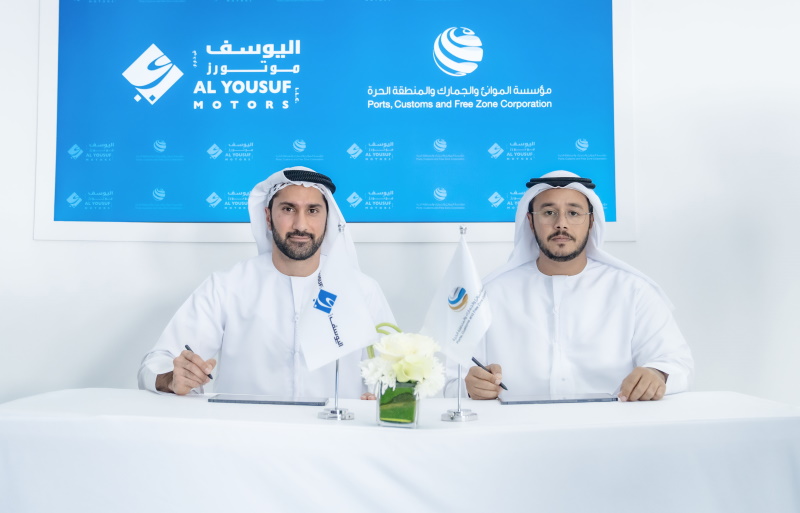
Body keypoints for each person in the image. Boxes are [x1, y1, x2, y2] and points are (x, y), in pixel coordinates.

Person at [138, 167, 395, 398]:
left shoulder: (363, 290)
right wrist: (172, 378)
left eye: (313, 211)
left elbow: (398, 370)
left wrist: (380, 398)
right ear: (268, 217)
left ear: (327, 220)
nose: (300, 225)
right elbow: (155, 363)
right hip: (243, 432)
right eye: (288, 209)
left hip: (335, 432)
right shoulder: (227, 287)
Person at [465, 170, 693, 401]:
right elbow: (455, 377)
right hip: (517, 423)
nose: (561, 224)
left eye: (573, 213)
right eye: (549, 213)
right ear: (531, 222)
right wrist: (471, 385)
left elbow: (676, 364)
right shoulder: (489, 294)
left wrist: (657, 374)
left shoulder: (633, 291)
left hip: (611, 422)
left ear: (591, 221)